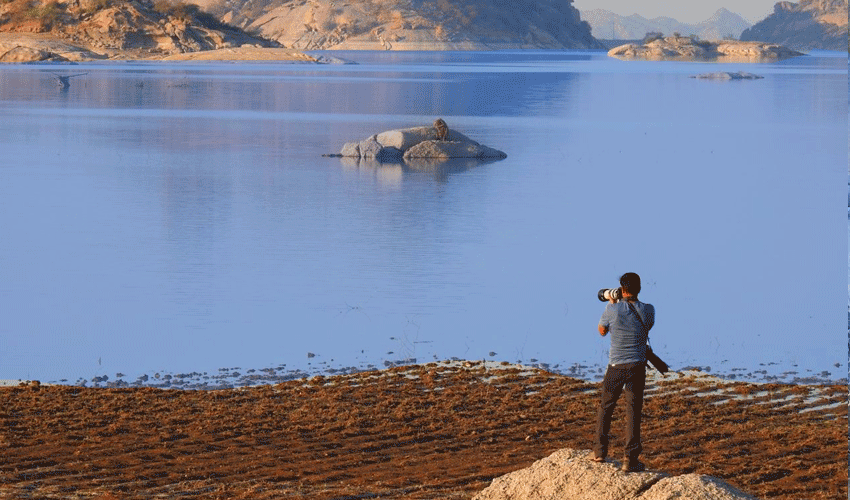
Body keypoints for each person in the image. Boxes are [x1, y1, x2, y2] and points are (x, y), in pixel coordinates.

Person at [593, 272, 655, 472]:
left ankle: (599, 453)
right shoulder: (648, 310)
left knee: (606, 408)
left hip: (616, 367)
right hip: (637, 366)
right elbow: (646, 327)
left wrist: (610, 304)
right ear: (639, 288)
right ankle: (630, 459)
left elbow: (602, 331)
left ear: (621, 288)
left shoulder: (613, 309)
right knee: (633, 411)